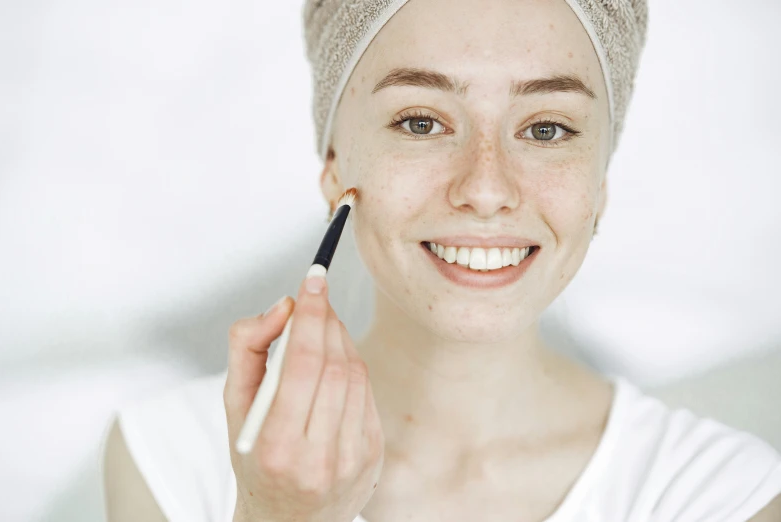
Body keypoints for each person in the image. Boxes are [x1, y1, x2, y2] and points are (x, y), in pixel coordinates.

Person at [102, 0, 781, 520]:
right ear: (335, 169)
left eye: (547, 129)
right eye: (421, 122)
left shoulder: (724, 497)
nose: (485, 189)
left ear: (598, 185)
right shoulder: (166, 455)